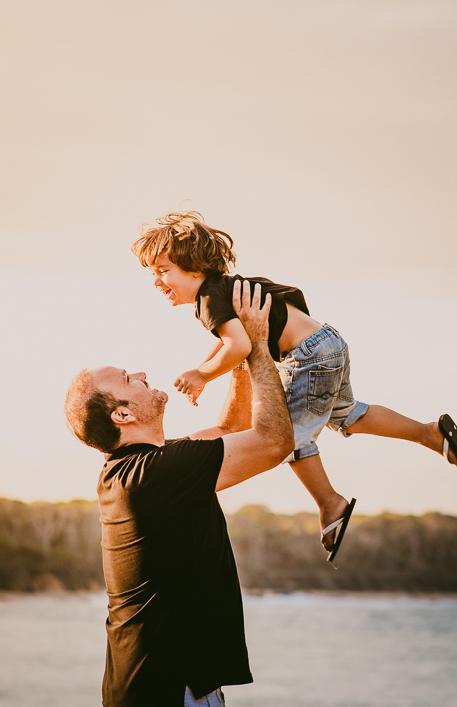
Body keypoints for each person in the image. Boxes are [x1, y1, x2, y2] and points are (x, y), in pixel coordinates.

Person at [132, 211, 457, 564]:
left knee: (285, 438)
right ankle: (430, 433)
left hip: (306, 356)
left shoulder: (208, 299)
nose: (157, 280)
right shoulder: (227, 287)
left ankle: (331, 504)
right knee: (348, 414)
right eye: (152, 272)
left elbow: (238, 347)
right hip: (326, 342)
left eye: (163, 270)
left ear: (194, 267)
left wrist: (202, 376)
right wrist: (203, 367)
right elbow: (229, 341)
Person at [65, 281, 294, 707]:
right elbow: (273, 441)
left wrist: (239, 353)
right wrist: (260, 345)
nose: (143, 373)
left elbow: (230, 429)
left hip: (150, 690)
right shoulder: (156, 475)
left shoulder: (137, 470)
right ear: (122, 414)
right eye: (129, 379)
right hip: (172, 693)